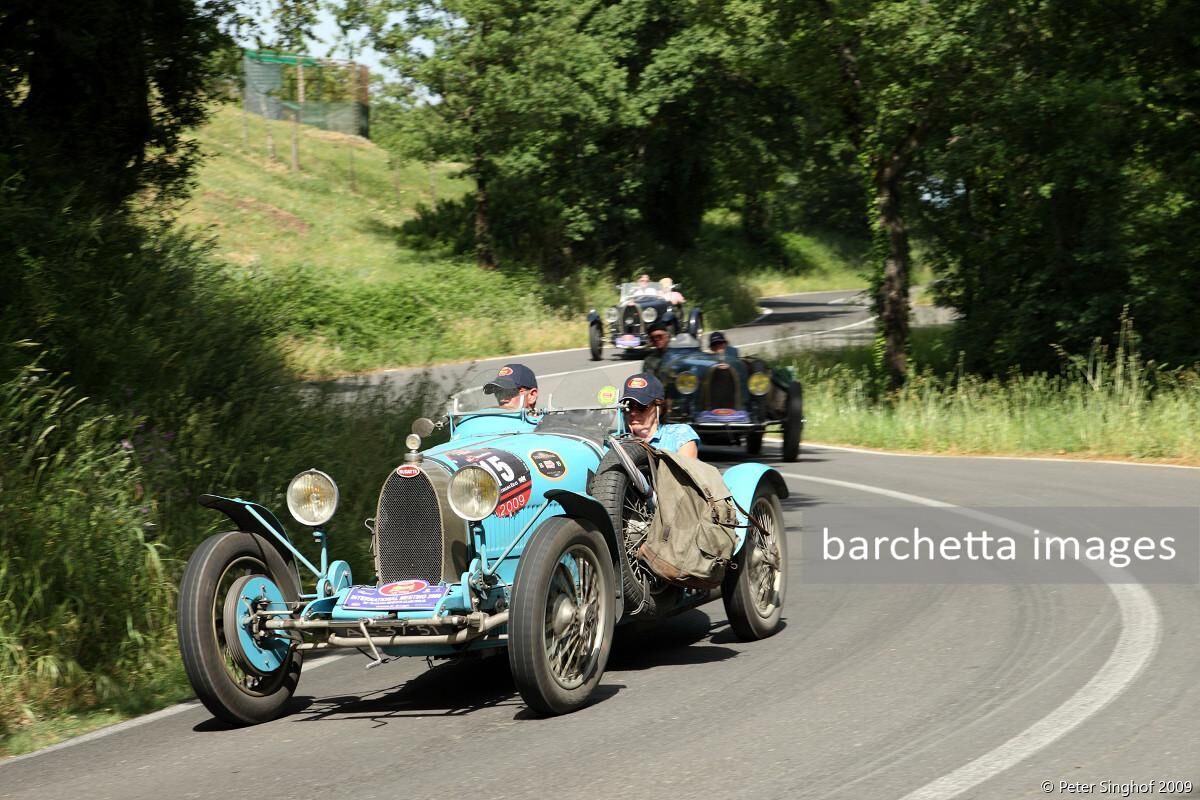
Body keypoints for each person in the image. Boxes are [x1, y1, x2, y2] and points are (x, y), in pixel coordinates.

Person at [620, 373, 699, 457]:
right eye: (629, 406)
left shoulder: (680, 435)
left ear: (659, 407)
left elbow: (686, 467)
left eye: (641, 406)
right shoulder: (616, 440)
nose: (633, 413)